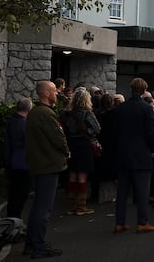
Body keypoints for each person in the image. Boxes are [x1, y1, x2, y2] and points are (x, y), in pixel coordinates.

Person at [24, 80, 70, 258]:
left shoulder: (35, 113)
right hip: (48, 166)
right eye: (54, 92)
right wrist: (66, 152)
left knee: (37, 207)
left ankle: (32, 243)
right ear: (45, 94)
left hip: (40, 165)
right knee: (43, 209)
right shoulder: (45, 114)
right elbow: (59, 139)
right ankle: (38, 246)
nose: (57, 94)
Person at [114, 77, 154, 233]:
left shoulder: (120, 108)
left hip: (123, 152)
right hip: (141, 154)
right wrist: (151, 149)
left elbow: (116, 132)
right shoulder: (146, 109)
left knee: (122, 191)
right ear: (144, 90)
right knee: (142, 191)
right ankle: (142, 222)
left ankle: (119, 222)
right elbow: (150, 133)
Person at [60, 87, 101, 216]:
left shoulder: (68, 113)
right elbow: (97, 129)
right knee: (82, 175)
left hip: (71, 144)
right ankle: (81, 206)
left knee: (72, 174)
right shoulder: (88, 113)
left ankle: (71, 205)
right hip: (84, 144)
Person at [4, 97, 32, 219]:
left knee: (14, 193)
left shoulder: (11, 121)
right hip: (22, 162)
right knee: (21, 193)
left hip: (12, 161)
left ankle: (11, 218)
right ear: (29, 108)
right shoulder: (24, 124)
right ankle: (15, 219)